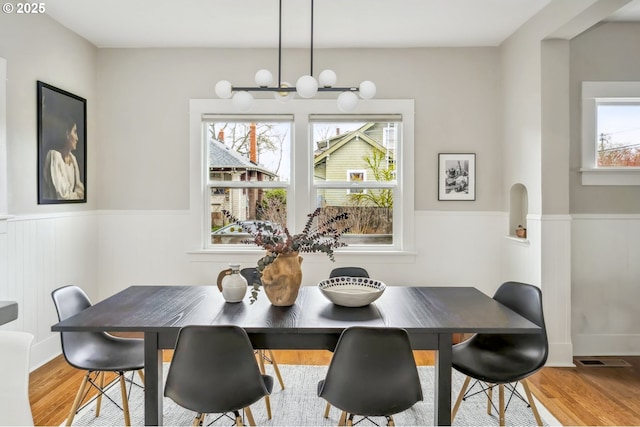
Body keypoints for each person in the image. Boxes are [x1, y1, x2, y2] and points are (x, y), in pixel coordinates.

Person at [42, 115, 85, 200]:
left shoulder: (73, 159)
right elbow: (61, 196)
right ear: (67, 134)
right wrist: (76, 195)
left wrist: (76, 195)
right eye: (75, 132)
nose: (77, 138)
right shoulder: (53, 156)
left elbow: (81, 192)